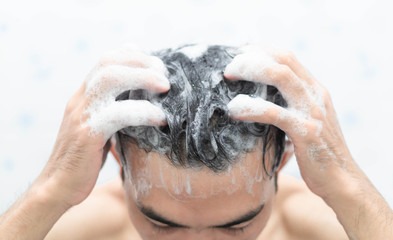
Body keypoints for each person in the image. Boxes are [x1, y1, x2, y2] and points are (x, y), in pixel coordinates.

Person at [0, 44, 392, 240]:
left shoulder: (312, 227)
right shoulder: (92, 229)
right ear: (117, 157)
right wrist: (49, 191)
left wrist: (348, 188)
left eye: (236, 227)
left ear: (284, 157)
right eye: (161, 225)